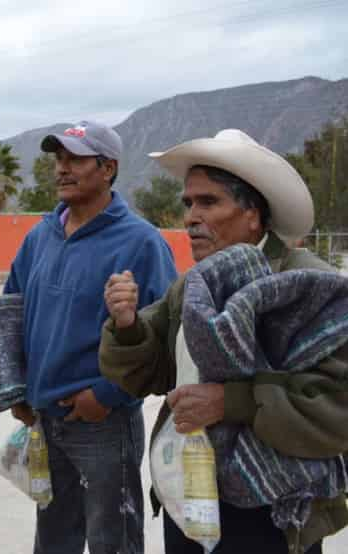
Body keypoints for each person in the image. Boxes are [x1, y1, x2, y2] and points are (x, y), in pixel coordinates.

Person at [100, 129, 348, 554]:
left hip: (274, 516)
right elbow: (152, 371)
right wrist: (126, 328)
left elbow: (338, 408)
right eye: (188, 203)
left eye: (208, 202)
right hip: (190, 498)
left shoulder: (311, 287)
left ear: (253, 214)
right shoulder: (192, 288)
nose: (190, 217)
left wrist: (233, 402)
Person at [4, 120, 178, 554]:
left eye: (76, 159)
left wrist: (107, 394)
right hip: (45, 417)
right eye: (58, 158)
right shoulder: (40, 235)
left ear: (108, 168)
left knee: (112, 541)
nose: (62, 168)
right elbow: (12, 310)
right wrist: (16, 386)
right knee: (54, 538)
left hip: (103, 425)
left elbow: (165, 339)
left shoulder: (141, 242)